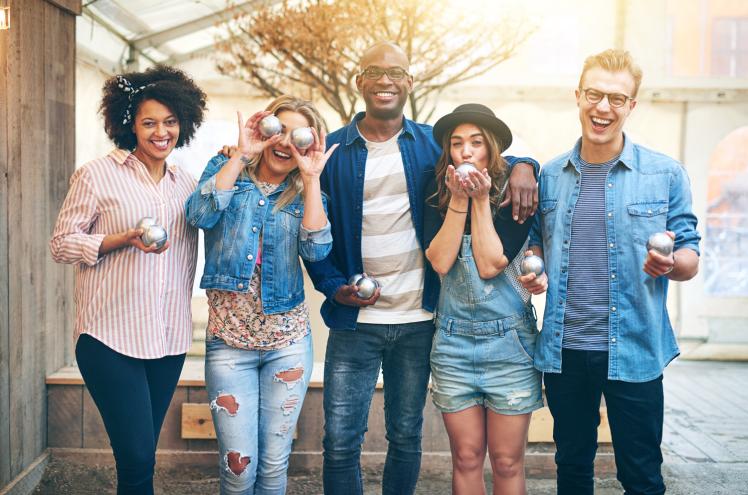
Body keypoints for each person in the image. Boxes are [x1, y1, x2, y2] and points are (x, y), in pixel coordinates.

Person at [304, 41, 539, 495]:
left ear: (410, 82)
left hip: (419, 319)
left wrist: (526, 165)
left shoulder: (431, 143)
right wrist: (334, 287)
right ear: (360, 82)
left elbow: (487, 147)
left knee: (407, 437)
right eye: (374, 71)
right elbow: (313, 234)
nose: (385, 80)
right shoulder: (331, 151)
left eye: (395, 72)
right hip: (355, 321)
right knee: (339, 443)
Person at [520, 49, 701, 495]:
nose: (604, 108)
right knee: (573, 470)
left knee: (641, 476)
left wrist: (669, 264)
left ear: (631, 106)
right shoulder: (549, 175)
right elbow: (536, 243)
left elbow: (691, 258)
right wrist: (533, 269)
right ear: (578, 96)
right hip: (566, 351)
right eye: (595, 94)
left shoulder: (665, 174)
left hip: (636, 351)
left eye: (617, 99)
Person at [49, 65, 206, 494]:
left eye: (170, 122)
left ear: (184, 123)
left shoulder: (187, 184)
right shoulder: (97, 174)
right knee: (137, 457)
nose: (161, 132)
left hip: (169, 340)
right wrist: (121, 238)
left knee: (140, 459)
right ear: (129, 124)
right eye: (149, 122)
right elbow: (61, 244)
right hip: (109, 338)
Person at [185, 95, 336, 494]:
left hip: (287, 344)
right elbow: (198, 215)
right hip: (229, 346)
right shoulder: (226, 167)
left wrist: (311, 179)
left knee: (272, 467)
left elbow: (318, 250)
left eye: (297, 136)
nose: (285, 142)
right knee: (237, 468)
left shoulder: (307, 191)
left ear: (309, 145)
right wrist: (240, 156)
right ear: (263, 131)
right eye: (278, 130)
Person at [424, 103, 544, 494]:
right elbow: (441, 261)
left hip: (510, 346)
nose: (466, 151)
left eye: (476, 142)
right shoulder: (434, 185)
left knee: (508, 462)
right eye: (457, 143)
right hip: (453, 344)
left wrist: (481, 200)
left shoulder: (515, 193)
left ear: (491, 150)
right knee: (466, 458)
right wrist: (459, 199)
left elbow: (492, 263)